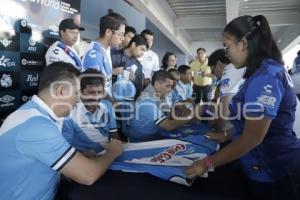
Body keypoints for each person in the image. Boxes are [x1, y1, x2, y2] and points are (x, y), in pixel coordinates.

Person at [186, 15, 300, 199]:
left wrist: (207, 162)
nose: (227, 53)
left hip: (275, 168)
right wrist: (223, 134)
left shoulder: (266, 77)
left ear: (243, 44)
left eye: (227, 46)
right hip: (261, 165)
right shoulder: (257, 73)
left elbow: (252, 137)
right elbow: (246, 121)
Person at [0, 62, 123, 200]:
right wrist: (112, 152)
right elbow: (88, 175)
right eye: (76, 92)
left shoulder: (35, 115)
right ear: (60, 91)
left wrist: (78, 155)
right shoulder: (37, 126)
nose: (78, 99)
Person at [128, 70, 194, 142]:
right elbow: (168, 126)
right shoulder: (147, 101)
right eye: (167, 86)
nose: (170, 90)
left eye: (170, 87)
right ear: (157, 84)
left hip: (153, 135)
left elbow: (168, 114)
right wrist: (190, 116)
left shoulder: (158, 95)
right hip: (141, 142)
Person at [62, 69, 118, 154]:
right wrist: (84, 154)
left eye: (100, 92)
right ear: (80, 92)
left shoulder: (107, 105)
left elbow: (114, 136)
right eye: (91, 92)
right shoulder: (69, 114)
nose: (96, 97)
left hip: (109, 157)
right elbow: (64, 150)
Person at [82, 9, 127, 96]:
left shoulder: (106, 48)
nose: (123, 38)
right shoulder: (94, 54)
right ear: (108, 32)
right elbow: (93, 90)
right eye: (121, 34)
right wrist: (112, 102)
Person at [207, 49, 245, 133]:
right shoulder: (240, 66)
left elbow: (224, 113)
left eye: (213, 70)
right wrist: (214, 101)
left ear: (219, 64)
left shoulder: (230, 70)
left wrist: (217, 132)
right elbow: (219, 88)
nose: (215, 75)